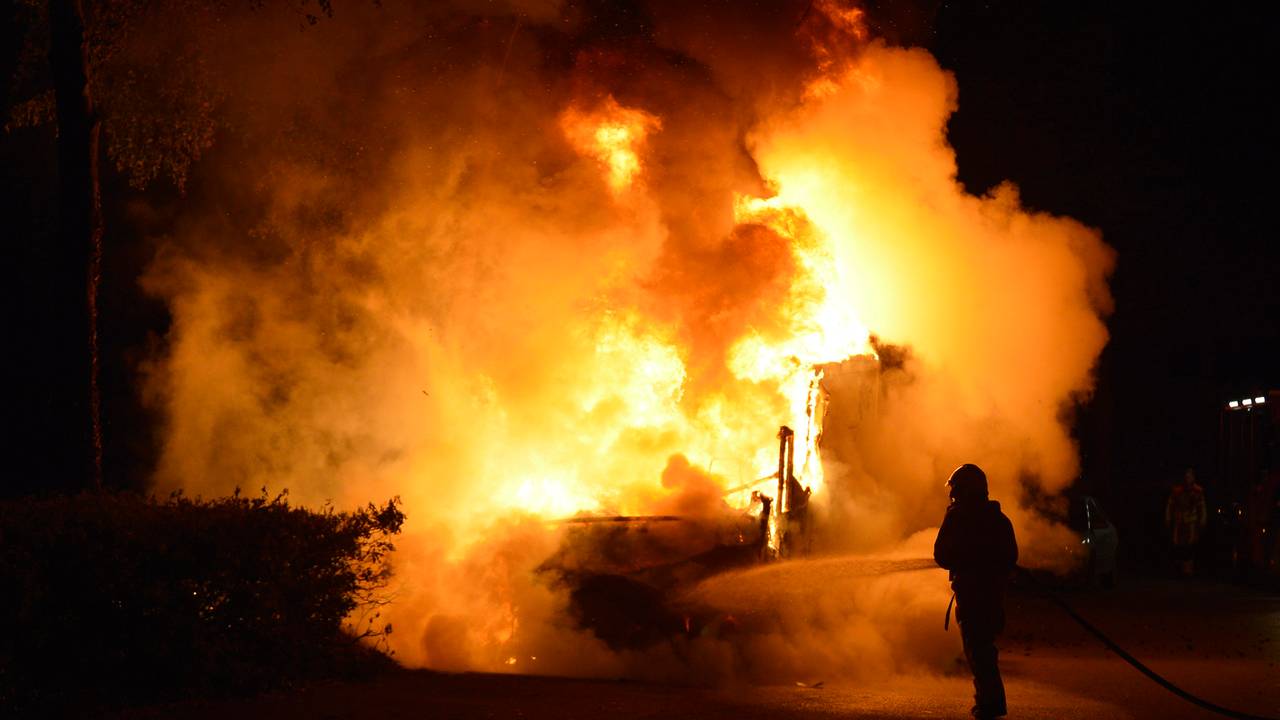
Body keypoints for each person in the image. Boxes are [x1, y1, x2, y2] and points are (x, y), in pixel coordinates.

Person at [934, 464, 1018, 720]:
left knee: (978, 649)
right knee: (983, 648)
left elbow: (941, 554)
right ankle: (988, 700)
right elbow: (1010, 557)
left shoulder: (958, 518)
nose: (953, 495)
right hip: (993, 596)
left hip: (972, 596)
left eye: (956, 490)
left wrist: (967, 560)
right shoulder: (1000, 520)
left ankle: (990, 703)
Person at [1165, 467, 1207, 576]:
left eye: (1189, 476)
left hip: (1191, 522)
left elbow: (1202, 507)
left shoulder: (1198, 491)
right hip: (1178, 522)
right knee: (1177, 545)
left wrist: (1202, 519)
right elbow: (1170, 505)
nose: (1187, 479)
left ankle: (1187, 570)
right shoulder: (1176, 491)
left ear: (1193, 478)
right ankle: (1178, 568)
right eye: (1186, 476)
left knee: (1190, 545)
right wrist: (1168, 517)